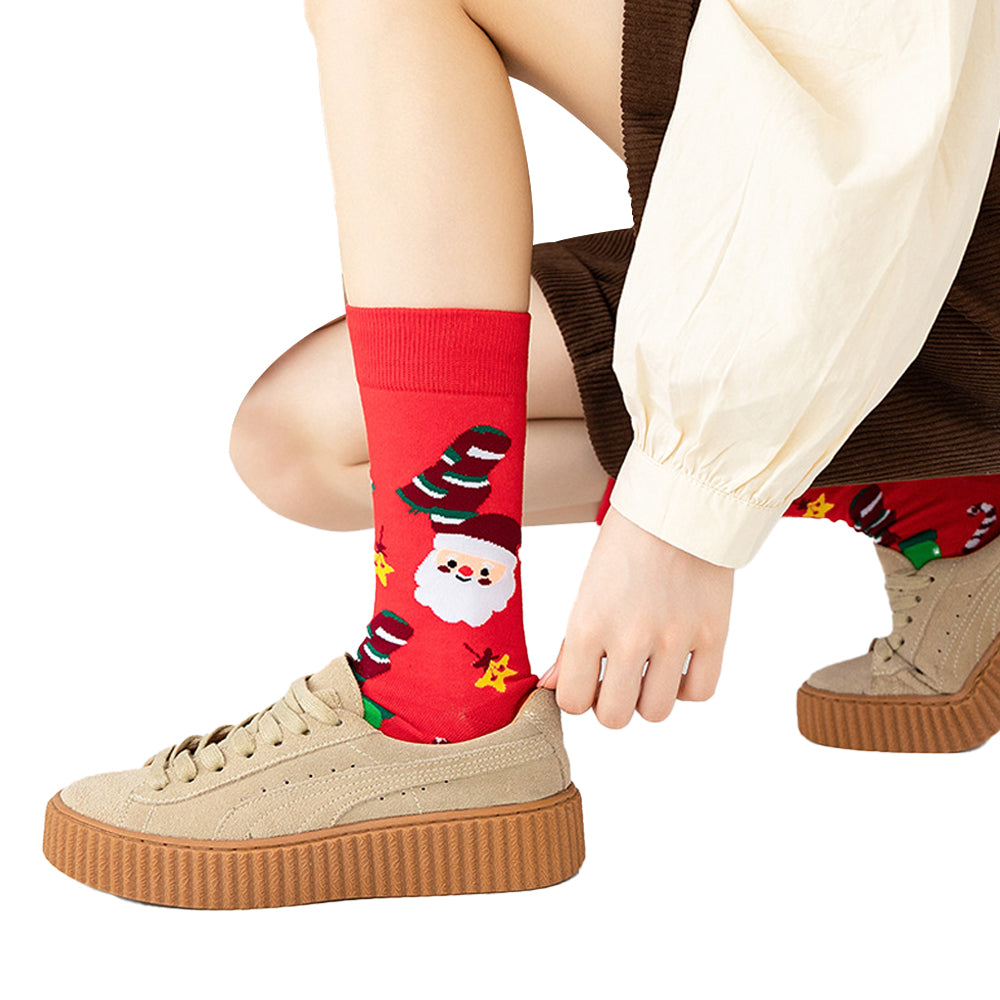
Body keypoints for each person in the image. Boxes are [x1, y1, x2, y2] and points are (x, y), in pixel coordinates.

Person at [42, 0, 1000, 907]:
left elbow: (878, 72)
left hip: (909, 182)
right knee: (300, 444)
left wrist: (685, 505)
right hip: (893, 221)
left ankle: (436, 704)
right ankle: (945, 496)